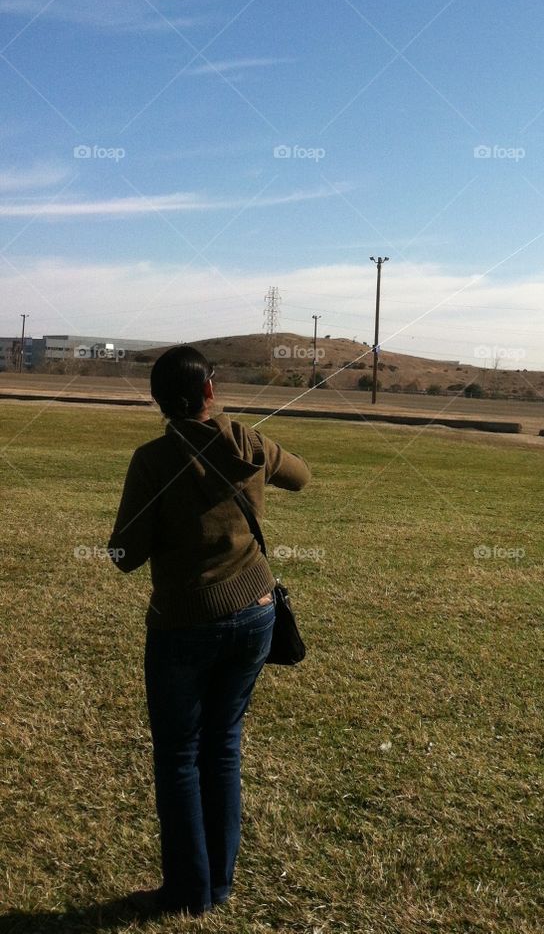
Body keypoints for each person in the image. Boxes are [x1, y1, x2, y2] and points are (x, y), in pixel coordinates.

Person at [108, 345, 311, 917]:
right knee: (222, 747)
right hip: (256, 609)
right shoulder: (245, 440)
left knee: (179, 755)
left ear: (158, 402)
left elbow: (125, 553)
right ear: (210, 391)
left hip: (184, 625)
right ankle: (216, 887)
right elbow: (302, 475)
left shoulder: (152, 460)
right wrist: (249, 442)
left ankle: (187, 893)